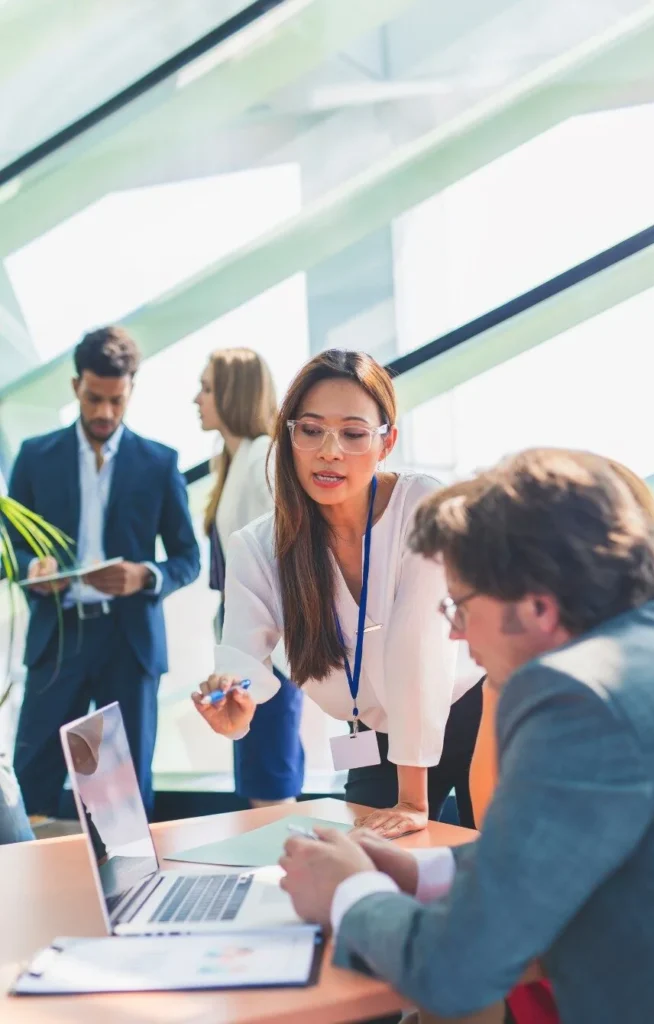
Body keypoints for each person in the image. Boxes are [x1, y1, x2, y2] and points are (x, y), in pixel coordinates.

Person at [279, 447, 654, 1024]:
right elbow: (563, 846)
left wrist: (349, 893)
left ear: (537, 605)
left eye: (460, 605)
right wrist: (422, 871)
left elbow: (456, 970)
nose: (457, 633)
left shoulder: (577, 699)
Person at [193, 349, 483, 836]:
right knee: (363, 868)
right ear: (289, 436)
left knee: (498, 873)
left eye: (352, 434)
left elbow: (419, 649)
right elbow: (242, 658)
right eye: (311, 430)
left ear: (386, 442)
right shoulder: (259, 547)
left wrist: (413, 800)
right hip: (374, 736)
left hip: (472, 713)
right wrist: (232, 711)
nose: (330, 451)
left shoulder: (421, 505)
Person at [9, 326, 200, 817]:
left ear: (131, 390)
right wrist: (35, 566)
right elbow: (11, 550)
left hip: (128, 643)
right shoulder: (34, 457)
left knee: (126, 797)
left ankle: (126, 892)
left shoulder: (159, 463)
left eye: (116, 400)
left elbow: (187, 559)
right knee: (31, 781)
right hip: (58, 640)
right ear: (76, 386)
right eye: (94, 398)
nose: (104, 413)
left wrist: (145, 577)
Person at [195, 347, 304, 807]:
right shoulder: (235, 461)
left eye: (205, 388)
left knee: (269, 775)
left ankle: (287, 872)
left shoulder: (265, 458)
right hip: (247, 642)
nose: (195, 399)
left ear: (233, 395)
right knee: (260, 772)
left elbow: (279, 561)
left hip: (269, 648)